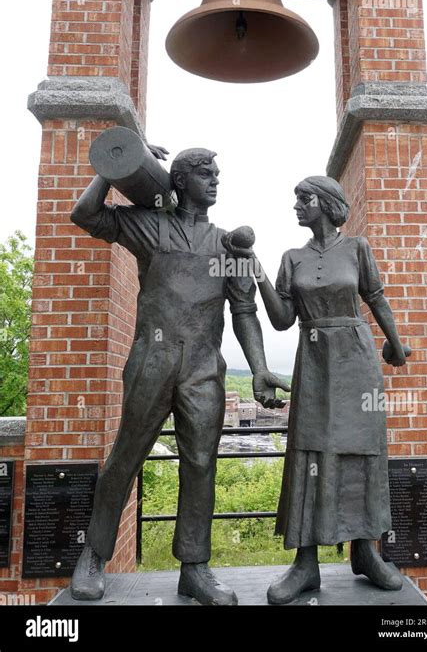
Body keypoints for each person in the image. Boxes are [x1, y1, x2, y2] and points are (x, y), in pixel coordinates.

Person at [70, 145, 289, 605]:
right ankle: (93, 553)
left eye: (217, 173)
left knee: (201, 466)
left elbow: (245, 312)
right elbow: (85, 215)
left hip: (204, 369)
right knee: (125, 457)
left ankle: (194, 568)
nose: (215, 180)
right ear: (181, 180)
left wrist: (261, 369)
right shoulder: (149, 225)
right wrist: (112, 169)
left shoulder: (228, 244)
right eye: (206, 173)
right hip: (152, 359)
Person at [223, 175, 411, 605]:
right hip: (313, 360)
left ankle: (365, 551)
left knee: (363, 449)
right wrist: (255, 266)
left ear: (326, 203)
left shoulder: (357, 248)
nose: (297, 207)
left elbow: (377, 298)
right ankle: (305, 563)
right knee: (308, 450)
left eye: (303, 199)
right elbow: (282, 319)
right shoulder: (292, 257)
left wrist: (396, 348)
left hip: (358, 360)